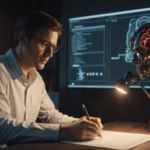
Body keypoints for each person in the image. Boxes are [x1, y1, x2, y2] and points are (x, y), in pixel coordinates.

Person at [0, 11, 103, 146]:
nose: (50, 54)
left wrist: (78, 123)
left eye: (53, 47)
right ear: (23, 38)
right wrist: (63, 132)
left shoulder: (36, 79)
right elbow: (2, 128)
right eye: (44, 44)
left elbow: (49, 116)